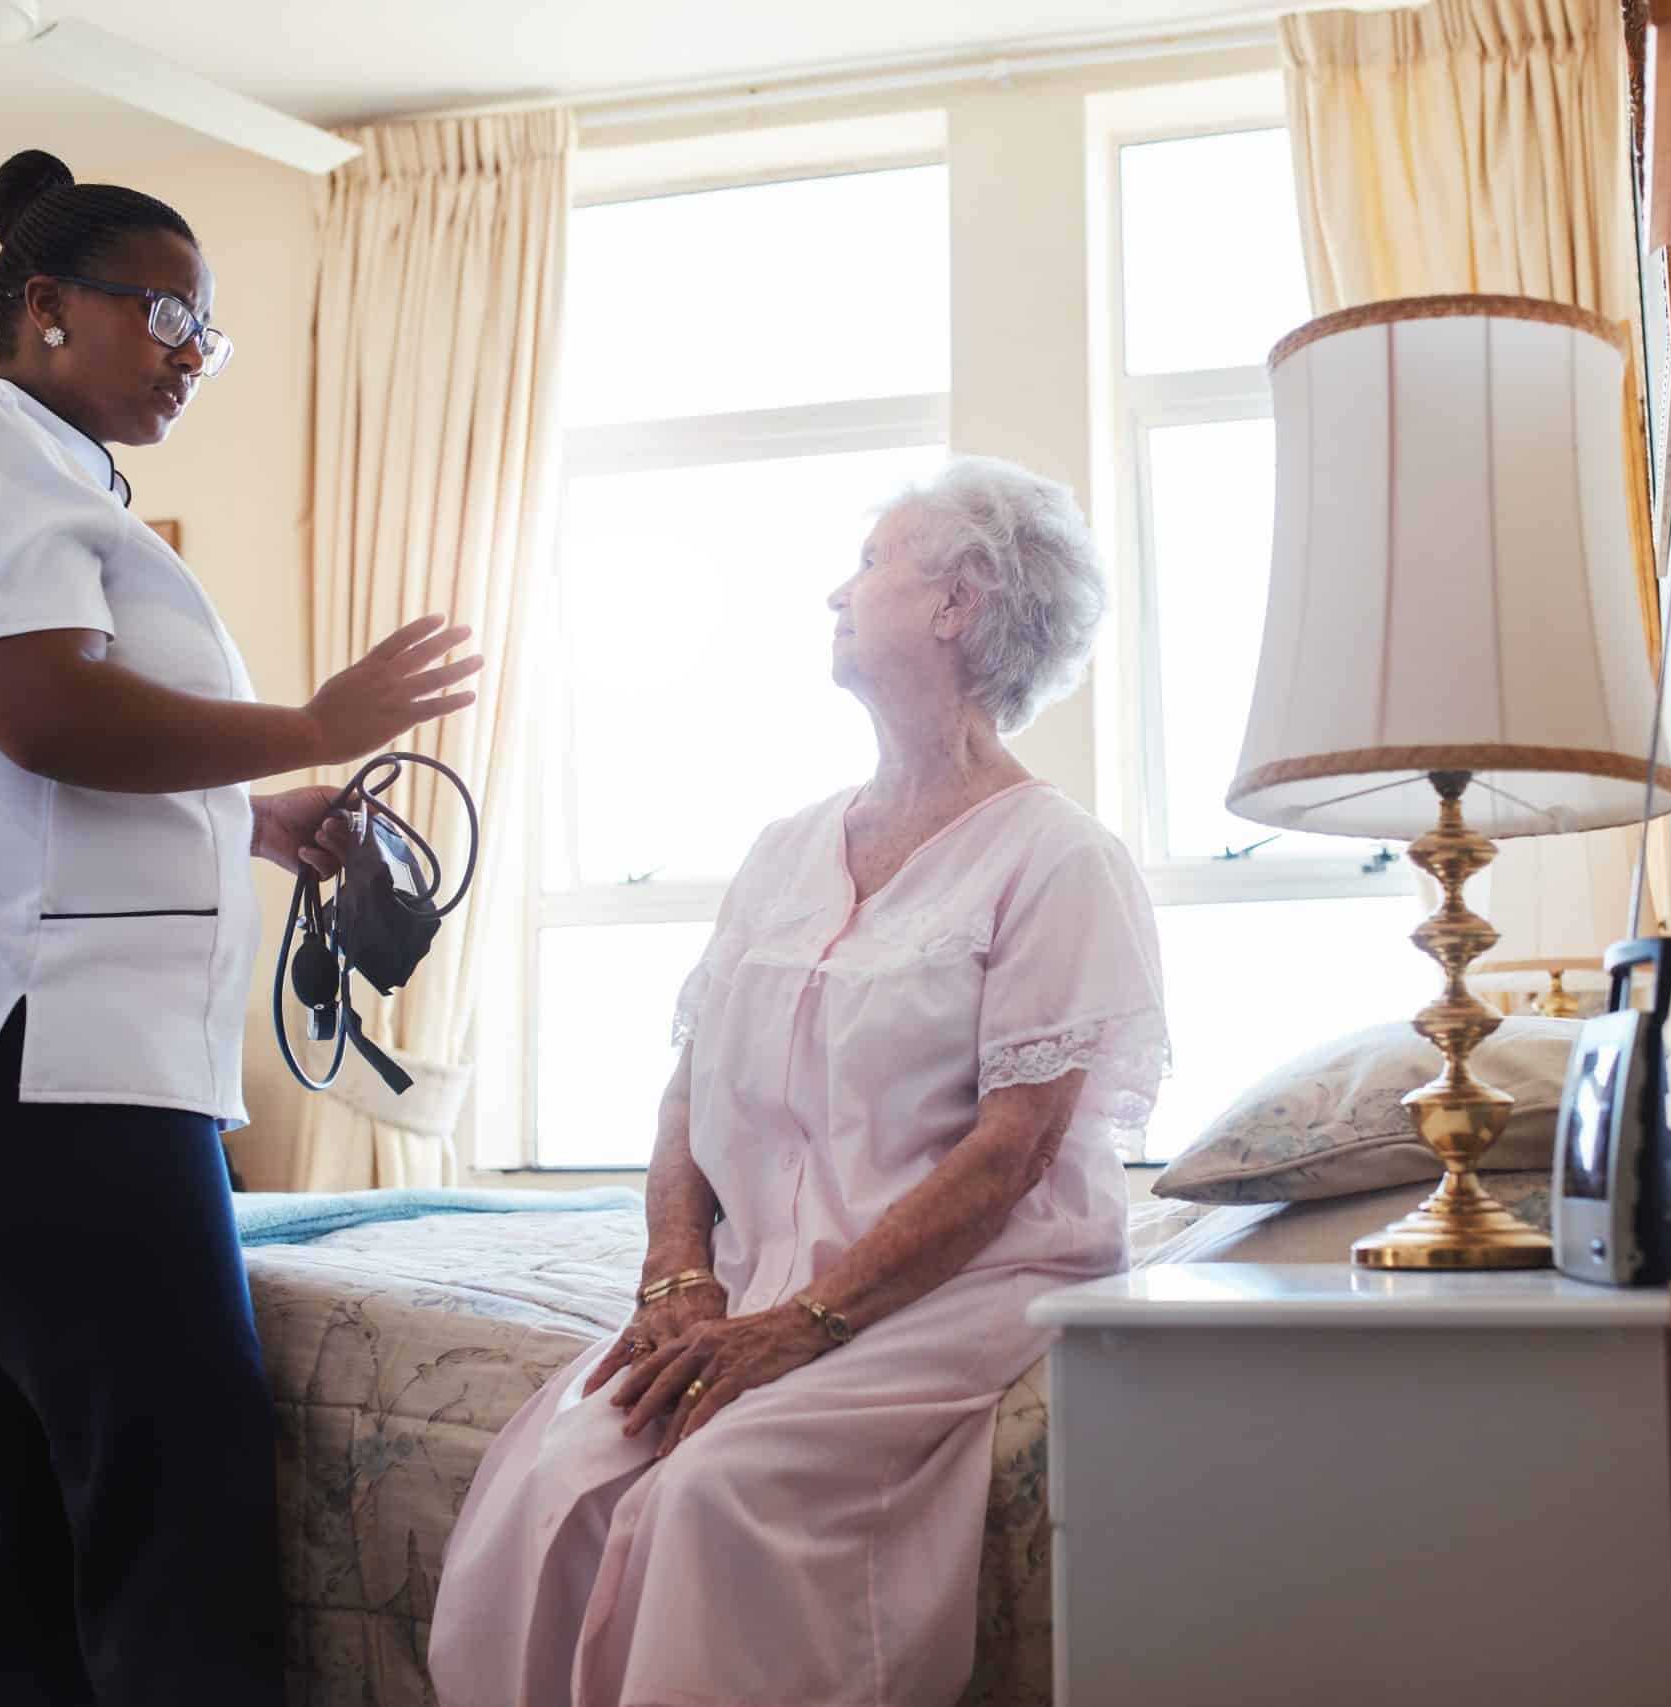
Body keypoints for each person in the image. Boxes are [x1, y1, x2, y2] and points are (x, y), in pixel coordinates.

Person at [0, 148, 482, 1707]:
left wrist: (259, 811)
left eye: (205, 331)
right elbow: (42, 717)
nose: (189, 352)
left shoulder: (62, 477)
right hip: (15, 1047)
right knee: (176, 1443)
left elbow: (41, 761)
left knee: (3, 1452)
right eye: (166, 312)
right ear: (45, 307)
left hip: (16, 1047)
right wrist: (313, 715)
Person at [427, 457, 1168, 1707]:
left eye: (872, 560)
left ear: (958, 603)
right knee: (552, 1483)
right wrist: (679, 1274)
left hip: (965, 1281)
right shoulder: (785, 848)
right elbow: (687, 1090)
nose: (838, 589)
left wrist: (808, 1322)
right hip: (761, 1275)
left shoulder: (1059, 858)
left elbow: (1015, 1151)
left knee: (715, 1491)